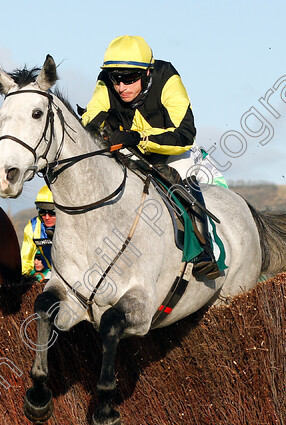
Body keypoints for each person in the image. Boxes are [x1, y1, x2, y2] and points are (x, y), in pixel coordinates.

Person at [81, 35, 218, 279]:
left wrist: (138, 137)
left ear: (147, 73)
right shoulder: (106, 81)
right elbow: (91, 118)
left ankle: (204, 250)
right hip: (132, 149)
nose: (121, 87)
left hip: (174, 150)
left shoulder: (167, 77)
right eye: (116, 79)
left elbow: (183, 135)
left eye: (129, 79)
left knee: (183, 177)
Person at [21, 185, 55, 279]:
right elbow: (25, 260)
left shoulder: (72, 224)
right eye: (42, 212)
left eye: (52, 213)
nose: (47, 217)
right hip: (51, 273)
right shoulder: (32, 227)